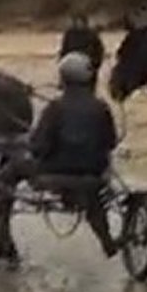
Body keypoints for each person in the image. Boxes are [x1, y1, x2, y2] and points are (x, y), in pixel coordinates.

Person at [26, 51, 121, 256]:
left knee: (14, 167)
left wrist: (31, 148)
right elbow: (111, 142)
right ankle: (106, 241)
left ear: (63, 78)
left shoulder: (54, 108)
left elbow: (39, 146)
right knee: (92, 200)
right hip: (93, 176)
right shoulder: (101, 108)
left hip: (54, 175)